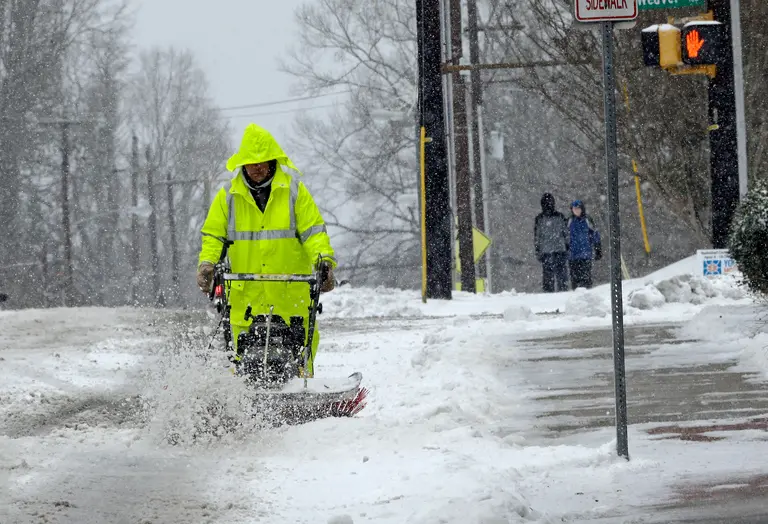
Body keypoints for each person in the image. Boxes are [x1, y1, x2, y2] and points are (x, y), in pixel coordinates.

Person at [196, 124, 336, 377]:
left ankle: (303, 394)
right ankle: (242, 405)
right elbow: (214, 235)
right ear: (243, 165)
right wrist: (208, 263)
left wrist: (323, 262)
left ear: (273, 161)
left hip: (290, 296)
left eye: (262, 162)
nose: (257, 168)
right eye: (251, 163)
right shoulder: (228, 196)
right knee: (240, 358)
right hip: (245, 298)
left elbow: (314, 234)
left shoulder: (294, 192)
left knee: (300, 354)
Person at [534, 193, 569, 292]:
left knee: (551, 277)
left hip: (551, 251)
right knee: (559, 277)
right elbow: (566, 234)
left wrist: (537, 250)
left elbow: (537, 237)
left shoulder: (540, 218)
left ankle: (552, 295)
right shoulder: (559, 216)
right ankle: (559, 293)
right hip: (555, 250)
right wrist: (567, 246)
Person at [567, 200, 602, 289]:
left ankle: (587, 296)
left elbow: (595, 234)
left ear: (582, 209)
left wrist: (598, 248)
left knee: (586, 277)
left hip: (585, 254)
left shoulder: (587, 220)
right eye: (574, 209)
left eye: (578, 208)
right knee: (574, 278)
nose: (576, 211)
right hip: (573, 255)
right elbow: (565, 235)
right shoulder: (570, 221)